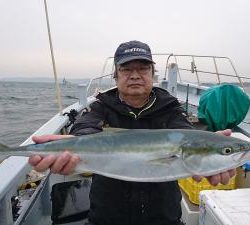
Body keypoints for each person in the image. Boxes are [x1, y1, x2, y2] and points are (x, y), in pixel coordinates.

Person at [29, 40, 235, 225]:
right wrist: (75, 144)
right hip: (106, 217)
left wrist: (212, 150)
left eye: (143, 69)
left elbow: (185, 134)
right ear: (116, 75)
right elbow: (85, 128)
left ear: (152, 74)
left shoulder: (171, 108)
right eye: (126, 69)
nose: (135, 75)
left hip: (164, 218)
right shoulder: (101, 107)